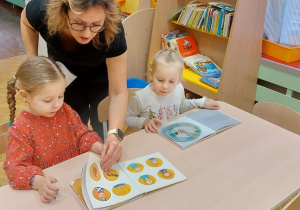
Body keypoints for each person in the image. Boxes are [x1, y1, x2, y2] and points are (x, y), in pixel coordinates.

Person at [20, 0, 127, 164]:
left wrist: (114, 134)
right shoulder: (43, 11)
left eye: (96, 25)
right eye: (78, 23)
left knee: (105, 134)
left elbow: (118, 92)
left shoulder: (113, 30)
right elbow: (25, 19)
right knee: (71, 131)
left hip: (102, 78)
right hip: (66, 79)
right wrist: (33, 61)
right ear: (64, 13)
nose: (87, 33)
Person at [4, 56, 119, 203]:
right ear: (25, 96)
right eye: (48, 100)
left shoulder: (65, 110)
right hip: (52, 189)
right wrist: (38, 182)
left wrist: (99, 147)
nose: (57, 104)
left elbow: (81, 134)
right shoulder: (20, 129)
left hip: (76, 178)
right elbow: (14, 168)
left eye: (61, 95)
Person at [125, 48, 220, 133]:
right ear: (151, 74)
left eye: (171, 81)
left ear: (178, 80)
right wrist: (145, 122)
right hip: (148, 139)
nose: (165, 86)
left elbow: (182, 107)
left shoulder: (178, 88)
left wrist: (202, 102)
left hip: (170, 135)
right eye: (160, 80)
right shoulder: (140, 97)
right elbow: (127, 118)